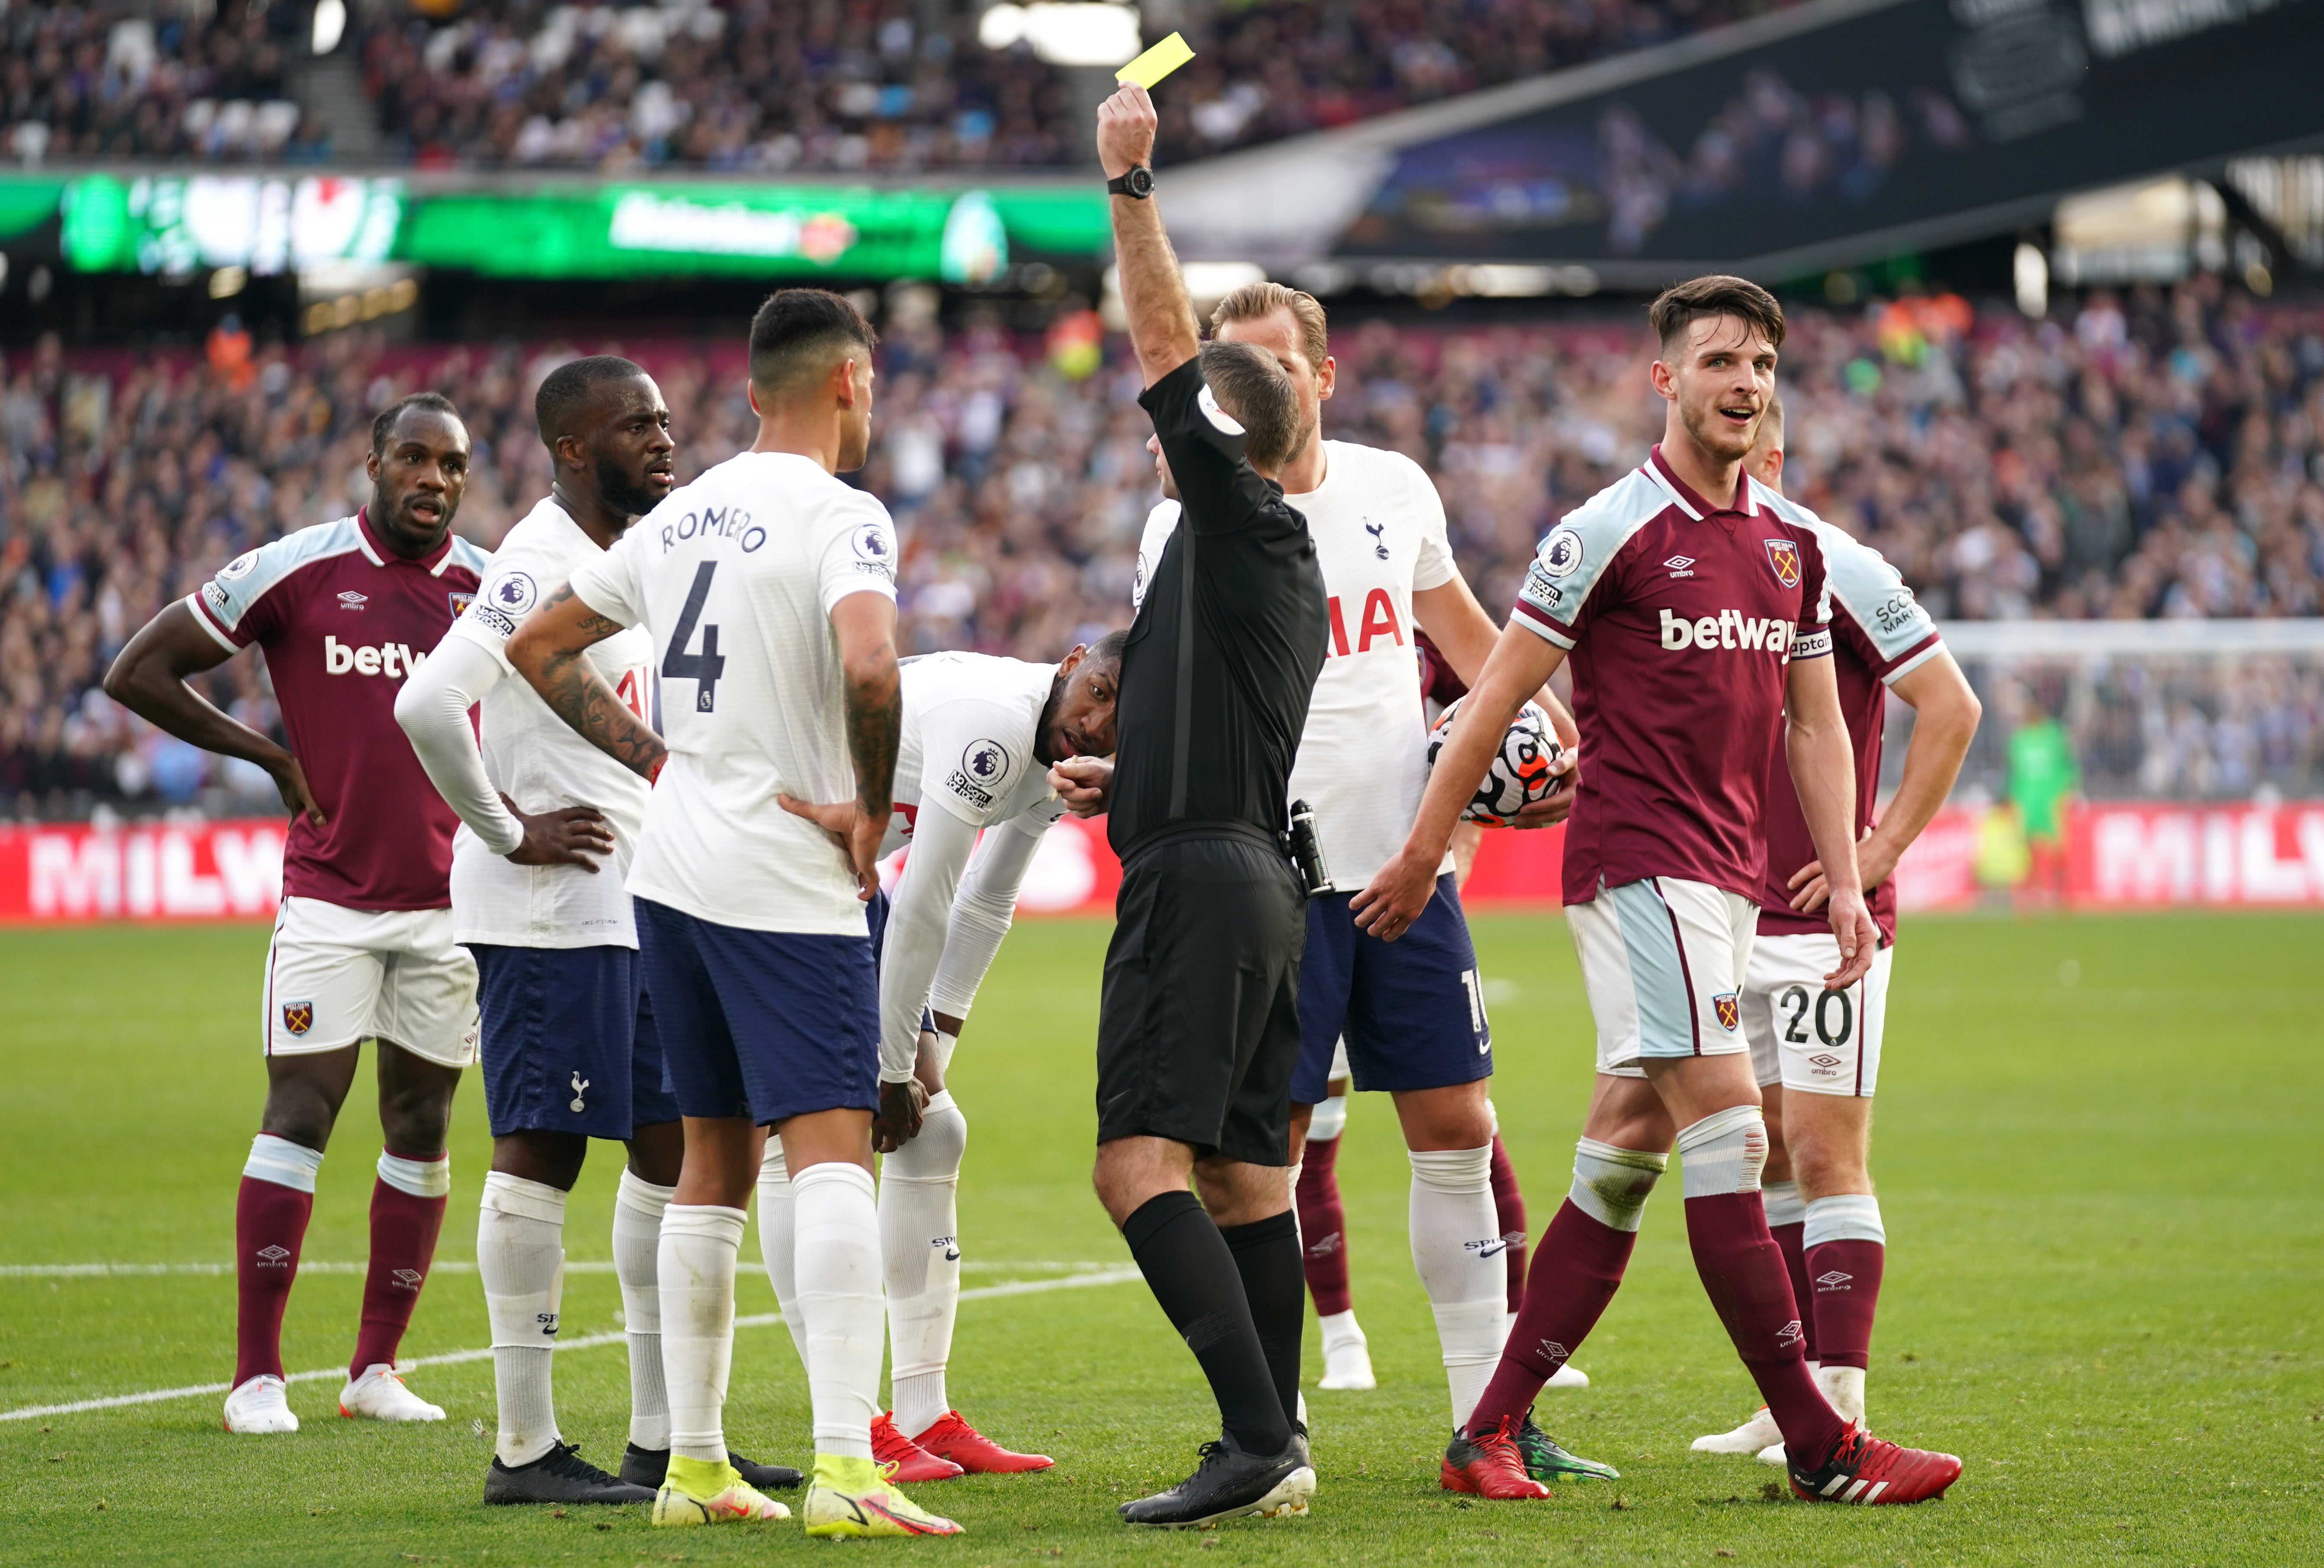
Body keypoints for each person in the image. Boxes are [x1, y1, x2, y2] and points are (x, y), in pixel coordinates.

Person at [1355, 276, 1963, 1507]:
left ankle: (1487, 1431)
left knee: (1622, 1153)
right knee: (1734, 1135)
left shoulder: (1788, 546)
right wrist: (1424, 849)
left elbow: (1813, 727)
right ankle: (1821, 1444)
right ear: (1664, 381)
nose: (1742, 382)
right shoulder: (1607, 530)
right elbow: (1493, 699)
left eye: (1758, 364)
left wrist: (1848, 881)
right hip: (1639, 864)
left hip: (1733, 882)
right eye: (1717, 362)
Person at [504, 289, 960, 1539]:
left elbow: (538, 649)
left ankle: (696, 1466)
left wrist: (659, 765)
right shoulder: (843, 514)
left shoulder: (682, 511)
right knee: (829, 1154)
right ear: (851, 382)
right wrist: (870, 814)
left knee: (710, 1161)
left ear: (753, 390)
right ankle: (841, 1468)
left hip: (674, 876)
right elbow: (871, 666)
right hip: (784, 878)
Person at [1128, 285, 1595, 1459]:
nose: (1246, 394)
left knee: (1455, 1121)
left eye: (1272, 368)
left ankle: (1487, 1424)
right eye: (1230, 369)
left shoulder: (1393, 489)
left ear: (1321, 379)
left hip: (1406, 867)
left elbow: (1477, 656)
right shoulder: (1182, 517)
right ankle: (1272, 1422)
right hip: (1270, 883)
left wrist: (1540, 747)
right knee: (1262, 1155)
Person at [394, 356, 798, 1505]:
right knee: (543, 1150)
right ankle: (524, 1449)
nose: (665, 442)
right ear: (572, 448)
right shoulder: (538, 563)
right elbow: (426, 701)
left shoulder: (626, 561)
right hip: (549, 910)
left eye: (667, 421)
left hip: (634, 900)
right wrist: (504, 828)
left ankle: (664, 1438)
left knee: (669, 1147)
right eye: (637, 427)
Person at [1047, 80, 1328, 1529]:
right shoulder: (1271, 559)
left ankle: (1252, 1436)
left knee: (1132, 1162)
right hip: (1245, 868)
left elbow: (1163, 345)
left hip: (1203, 884)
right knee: (1242, 1173)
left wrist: (1131, 183)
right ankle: (1275, 1439)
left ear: (1223, 435)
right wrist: (1129, 773)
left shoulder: (1233, 517)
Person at [103, 394, 490, 1435]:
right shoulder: (299, 567)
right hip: (329, 903)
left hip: (451, 909)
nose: (433, 480)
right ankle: (255, 1376)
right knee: (302, 1116)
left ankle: (375, 1368)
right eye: (413, 458)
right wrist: (269, 756)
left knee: (422, 1125)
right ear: (373, 462)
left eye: (451, 464)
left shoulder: (488, 589)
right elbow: (135, 671)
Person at [756, 636, 1126, 1481]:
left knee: (935, 1130)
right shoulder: (997, 725)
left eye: (1116, 719)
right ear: (1070, 663)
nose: (1094, 723)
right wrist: (891, 1072)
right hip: (774, 862)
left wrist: (933, 1057)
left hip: (842, 878)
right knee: (806, 1134)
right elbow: (925, 895)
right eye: (1095, 692)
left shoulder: (1054, 757)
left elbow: (988, 900)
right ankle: (855, 1423)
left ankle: (923, 1411)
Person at [1691, 399, 1981, 1462]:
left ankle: (1843, 1401)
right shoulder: (1689, 559)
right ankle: (1792, 1404)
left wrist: (1877, 849)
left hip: (1824, 918)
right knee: (1760, 1146)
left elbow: (1949, 707)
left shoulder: (1833, 561)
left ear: (1772, 452)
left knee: (1824, 1151)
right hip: (1722, 901)